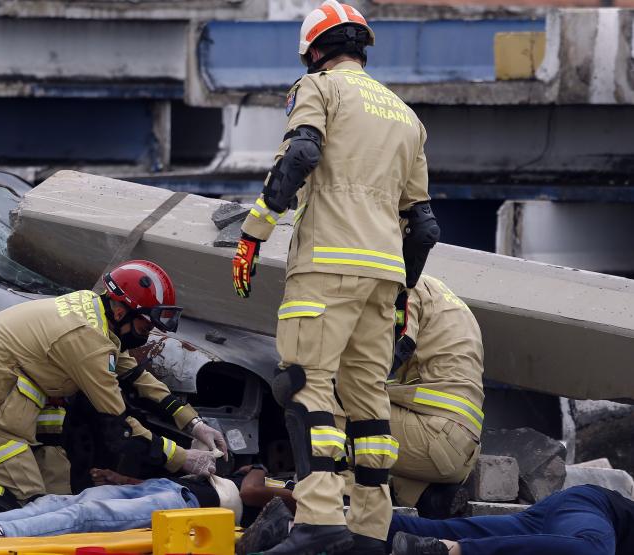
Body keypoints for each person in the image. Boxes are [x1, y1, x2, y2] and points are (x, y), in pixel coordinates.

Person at [231, 1, 440, 553]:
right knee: (370, 403)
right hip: (384, 274)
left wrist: (253, 234)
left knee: (303, 384)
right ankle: (371, 529)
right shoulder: (405, 116)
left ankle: (320, 521)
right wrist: (401, 293)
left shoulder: (318, 88)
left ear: (315, 51)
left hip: (326, 264)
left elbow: (301, 154)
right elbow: (423, 226)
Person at [0, 260, 229, 505]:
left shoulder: (95, 310)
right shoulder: (87, 341)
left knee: (59, 496)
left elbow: (133, 373)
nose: (147, 334)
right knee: (27, 504)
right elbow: (122, 429)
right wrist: (182, 458)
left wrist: (192, 422)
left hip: (5, 391)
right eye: (144, 325)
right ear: (120, 310)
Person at [0, 465, 295, 540]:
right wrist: (124, 480)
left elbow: (249, 492)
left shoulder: (295, 493)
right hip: (168, 488)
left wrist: (260, 469)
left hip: (186, 506)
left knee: (88, 515)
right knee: (59, 500)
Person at [388, 275, 484, 518]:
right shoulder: (440, 292)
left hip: (433, 436)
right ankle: (428, 497)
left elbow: (394, 350)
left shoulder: (403, 286)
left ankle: (340, 499)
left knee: (331, 404)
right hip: (462, 451)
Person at [389, 485, 634, 555]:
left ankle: (361, 528)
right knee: (593, 549)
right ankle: (451, 550)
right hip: (588, 510)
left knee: (442, 529)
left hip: (550, 529)